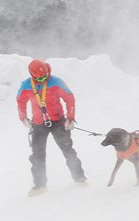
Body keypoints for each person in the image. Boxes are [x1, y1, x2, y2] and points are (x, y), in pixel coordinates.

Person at [16, 59, 87, 196]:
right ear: (32, 75)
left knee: (68, 150)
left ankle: (80, 178)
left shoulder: (56, 82)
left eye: (45, 76)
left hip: (58, 122)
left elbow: (69, 98)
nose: (43, 79)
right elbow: (20, 101)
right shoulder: (25, 85)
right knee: (37, 155)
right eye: (40, 78)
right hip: (38, 124)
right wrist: (23, 117)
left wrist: (70, 118)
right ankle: (39, 185)